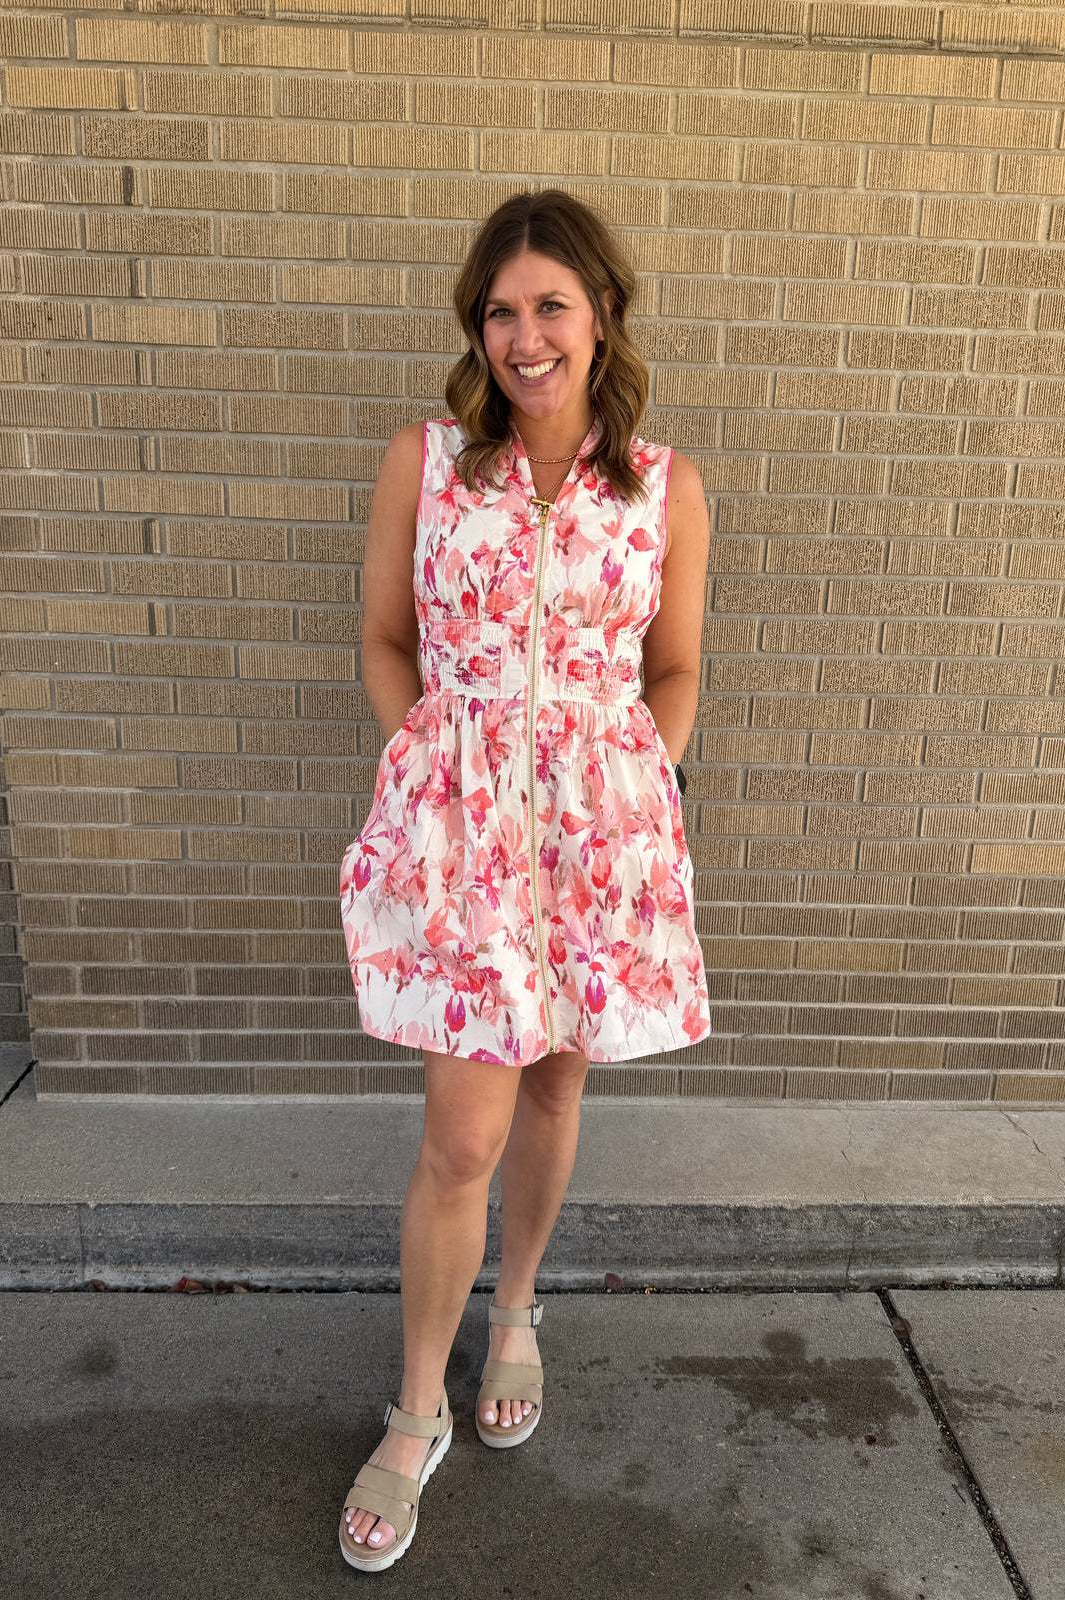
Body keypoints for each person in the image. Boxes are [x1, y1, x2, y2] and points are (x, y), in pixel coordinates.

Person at [336, 188, 712, 1571]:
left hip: (599, 845)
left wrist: (635, 781)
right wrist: (429, 768)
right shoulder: (426, 465)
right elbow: (386, 639)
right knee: (459, 1134)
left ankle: (522, 1308)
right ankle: (415, 1407)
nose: (523, 336)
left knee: (558, 1081)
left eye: (550, 305)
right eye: (500, 310)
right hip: (466, 838)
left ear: (601, 313)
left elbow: (672, 668)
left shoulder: (662, 489)